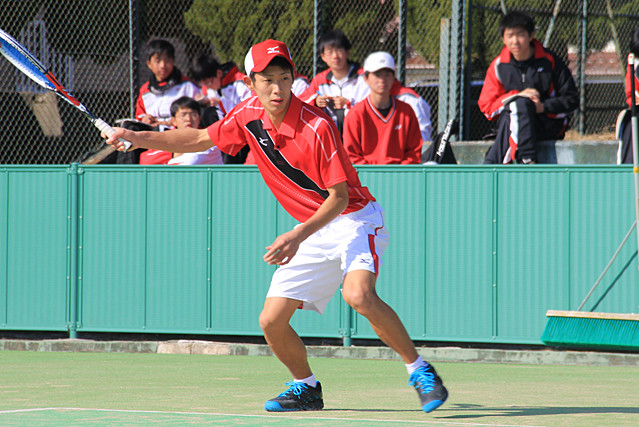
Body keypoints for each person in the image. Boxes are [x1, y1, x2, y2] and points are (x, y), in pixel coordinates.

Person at [104, 39, 448, 414]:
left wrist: (297, 235)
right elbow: (200, 137)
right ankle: (307, 387)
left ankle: (419, 371)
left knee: (359, 296)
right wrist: (137, 137)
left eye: (284, 78)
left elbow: (339, 198)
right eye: (267, 80)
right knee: (270, 320)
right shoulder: (247, 114)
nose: (277, 88)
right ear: (251, 83)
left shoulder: (316, 127)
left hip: (353, 218)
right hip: (312, 227)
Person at [478, 11, 579, 164]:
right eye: (509, 36)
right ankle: (527, 159)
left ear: (531, 36)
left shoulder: (550, 61)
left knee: (518, 108)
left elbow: (572, 100)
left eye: (520, 35)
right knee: (517, 106)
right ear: (503, 38)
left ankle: (494, 165)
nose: (515, 41)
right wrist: (517, 96)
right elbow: (487, 108)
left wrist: (542, 107)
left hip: (546, 125)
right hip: (511, 124)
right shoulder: (498, 66)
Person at [120, 39, 201, 164]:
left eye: (167, 60)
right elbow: (139, 116)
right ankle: (126, 174)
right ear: (149, 63)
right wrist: (145, 120)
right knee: (129, 130)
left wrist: (167, 122)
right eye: (158, 61)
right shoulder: (145, 90)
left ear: (173, 61)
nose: (163, 65)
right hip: (151, 135)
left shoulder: (188, 86)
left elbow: (195, 117)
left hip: (176, 134)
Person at [343, 51, 422, 164]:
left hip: (399, 176)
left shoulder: (406, 111)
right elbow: (351, 155)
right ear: (366, 78)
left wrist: (401, 173)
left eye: (387, 74)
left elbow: (414, 152)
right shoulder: (356, 114)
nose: (382, 80)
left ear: (394, 78)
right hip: (367, 177)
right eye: (377, 75)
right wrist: (373, 175)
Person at [299, 29, 369, 135]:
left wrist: (350, 104)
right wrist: (316, 101)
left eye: (339, 50)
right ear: (323, 57)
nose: (335, 56)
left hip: (361, 134)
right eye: (330, 52)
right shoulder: (320, 80)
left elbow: (375, 106)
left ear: (347, 53)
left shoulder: (364, 77)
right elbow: (301, 102)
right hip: (331, 137)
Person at [139, 96, 223, 165]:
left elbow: (194, 161)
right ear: (173, 121)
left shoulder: (209, 138)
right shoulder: (165, 137)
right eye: (183, 115)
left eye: (193, 115)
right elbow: (145, 160)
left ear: (199, 118)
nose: (188, 119)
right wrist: (173, 153)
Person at [617, 28, 639, 164]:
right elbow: (631, 95)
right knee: (630, 121)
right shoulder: (633, 61)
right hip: (637, 114)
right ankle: (628, 172)